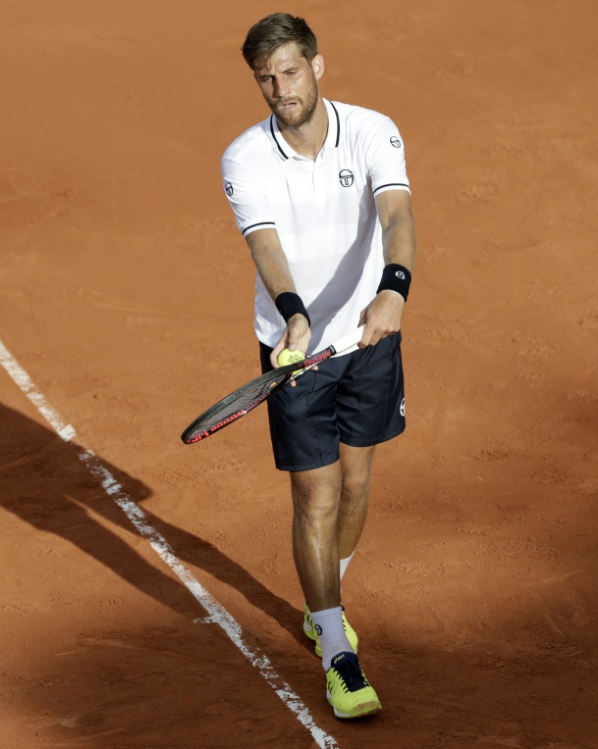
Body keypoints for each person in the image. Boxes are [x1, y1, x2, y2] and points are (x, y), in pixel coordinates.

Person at [219, 13, 417, 719]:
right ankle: (336, 646)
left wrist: (393, 288)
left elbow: (396, 215)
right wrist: (294, 312)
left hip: (369, 337)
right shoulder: (244, 157)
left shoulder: (371, 131)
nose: (279, 89)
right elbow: (266, 248)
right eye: (265, 78)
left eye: (290, 71)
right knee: (318, 496)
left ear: (318, 66)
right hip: (295, 351)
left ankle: (321, 593)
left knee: (357, 481)